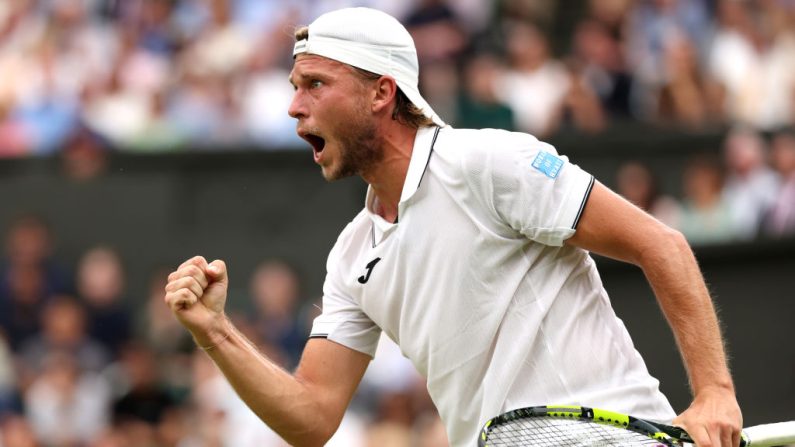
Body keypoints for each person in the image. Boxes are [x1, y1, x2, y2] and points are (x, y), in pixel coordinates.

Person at [164, 7, 742, 446]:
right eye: (294, 88)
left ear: (381, 94)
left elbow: (660, 243)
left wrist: (714, 393)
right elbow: (313, 416)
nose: (294, 106)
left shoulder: (491, 163)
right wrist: (215, 332)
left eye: (315, 84)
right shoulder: (351, 258)